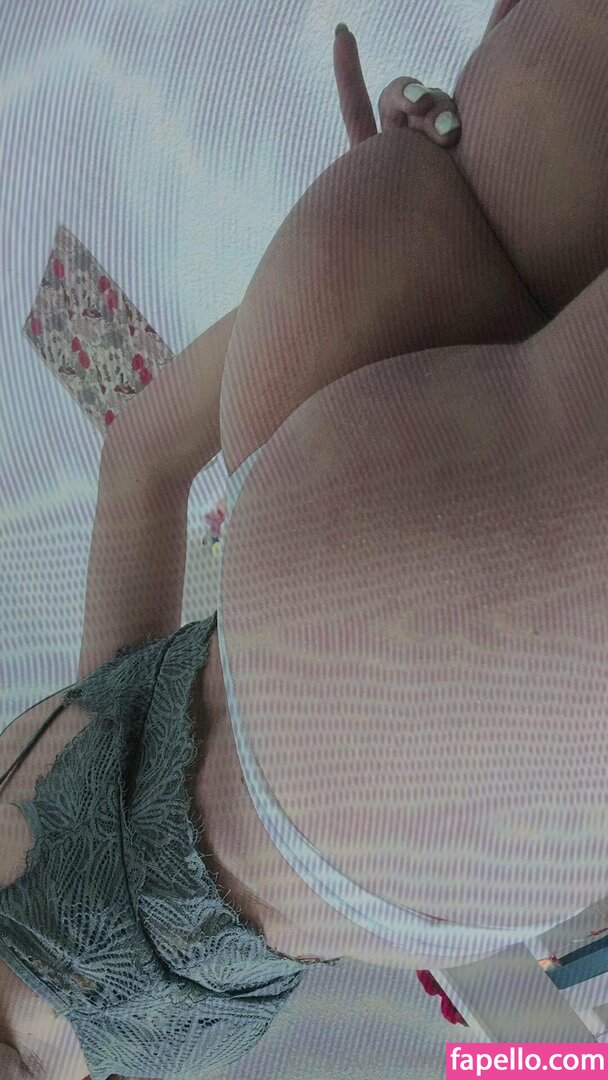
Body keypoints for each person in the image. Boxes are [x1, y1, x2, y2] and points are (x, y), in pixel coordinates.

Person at [2, 0, 608, 1074]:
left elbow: (541, 1050)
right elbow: (139, 460)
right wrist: (359, 359)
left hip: (388, 744)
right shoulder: (55, 760)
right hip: (293, 430)